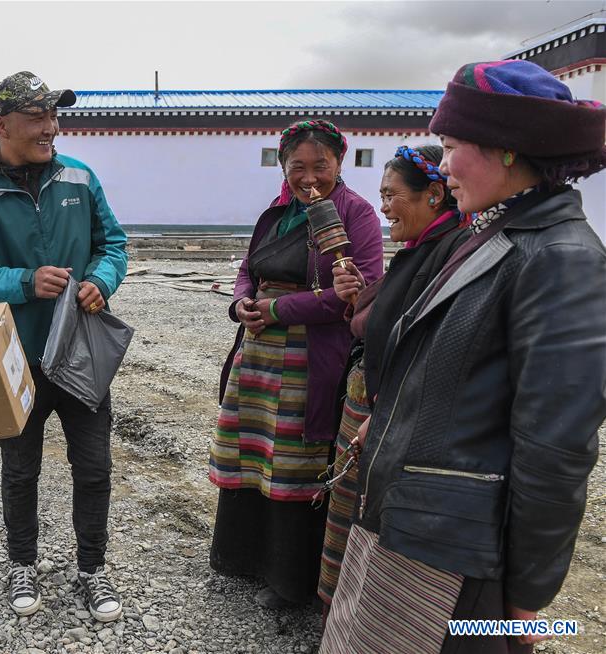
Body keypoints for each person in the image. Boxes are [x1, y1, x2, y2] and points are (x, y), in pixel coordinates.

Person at [321, 60, 606, 654]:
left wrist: (526, 607)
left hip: (461, 557)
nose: (443, 164)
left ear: (505, 148)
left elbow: (556, 449)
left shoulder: (560, 259)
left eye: (451, 146)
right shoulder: (490, 234)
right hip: (408, 524)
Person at [0, 71, 128, 622]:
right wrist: (23, 282)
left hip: (81, 352)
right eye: (37, 117)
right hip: (14, 360)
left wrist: (102, 279)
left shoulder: (79, 177)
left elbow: (113, 244)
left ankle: (92, 569)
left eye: (54, 116)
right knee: (21, 469)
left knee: (93, 466)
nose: (51, 127)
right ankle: (22, 563)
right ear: (0, 125)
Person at [209, 119, 383, 609]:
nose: (308, 177)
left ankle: (288, 578)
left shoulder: (357, 214)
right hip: (259, 352)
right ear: (283, 168)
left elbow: (361, 294)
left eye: (320, 167)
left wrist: (278, 310)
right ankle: (242, 557)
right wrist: (242, 304)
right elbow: (249, 268)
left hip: (310, 358)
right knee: (253, 455)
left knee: (293, 465)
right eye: (296, 167)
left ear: (340, 163)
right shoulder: (278, 210)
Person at [317, 145, 468, 616]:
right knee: (352, 509)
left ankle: (363, 621)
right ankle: (341, 616)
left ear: (435, 194)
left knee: (370, 517)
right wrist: (359, 298)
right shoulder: (419, 251)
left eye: (391, 195)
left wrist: (384, 412)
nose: (382, 207)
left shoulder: (449, 256)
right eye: (380, 195)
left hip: (389, 412)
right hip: (373, 404)